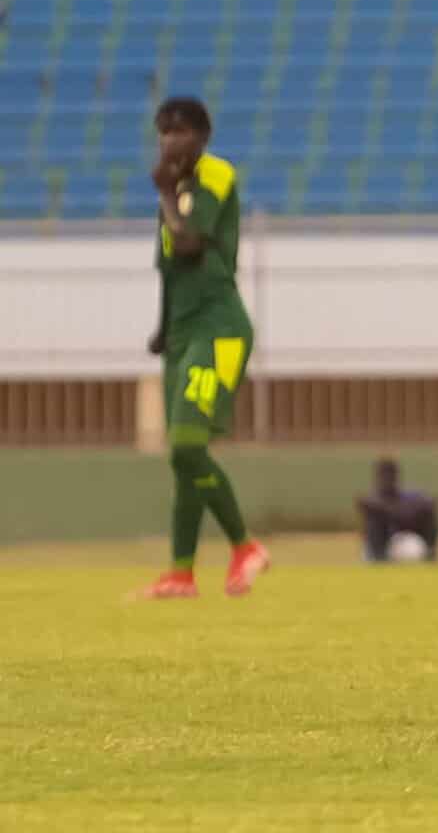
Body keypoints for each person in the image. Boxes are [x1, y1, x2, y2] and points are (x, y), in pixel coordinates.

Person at [137, 98, 270, 599]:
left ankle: (245, 547)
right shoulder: (172, 194)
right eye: (163, 131)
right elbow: (170, 269)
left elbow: (191, 245)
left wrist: (166, 194)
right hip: (182, 334)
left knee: (189, 447)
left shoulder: (214, 175)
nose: (170, 140)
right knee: (182, 456)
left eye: (181, 131)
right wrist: (162, 329)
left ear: (203, 137)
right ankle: (181, 573)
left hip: (218, 329)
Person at [357, 459, 438, 562]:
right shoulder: (372, 500)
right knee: (374, 520)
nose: (387, 479)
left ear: (396, 476)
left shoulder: (409, 497)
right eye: (384, 475)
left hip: (404, 544)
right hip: (379, 547)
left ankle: (431, 554)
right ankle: (378, 560)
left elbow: (430, 504)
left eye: (390, 474)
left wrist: (391, 512)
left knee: (427, 517)